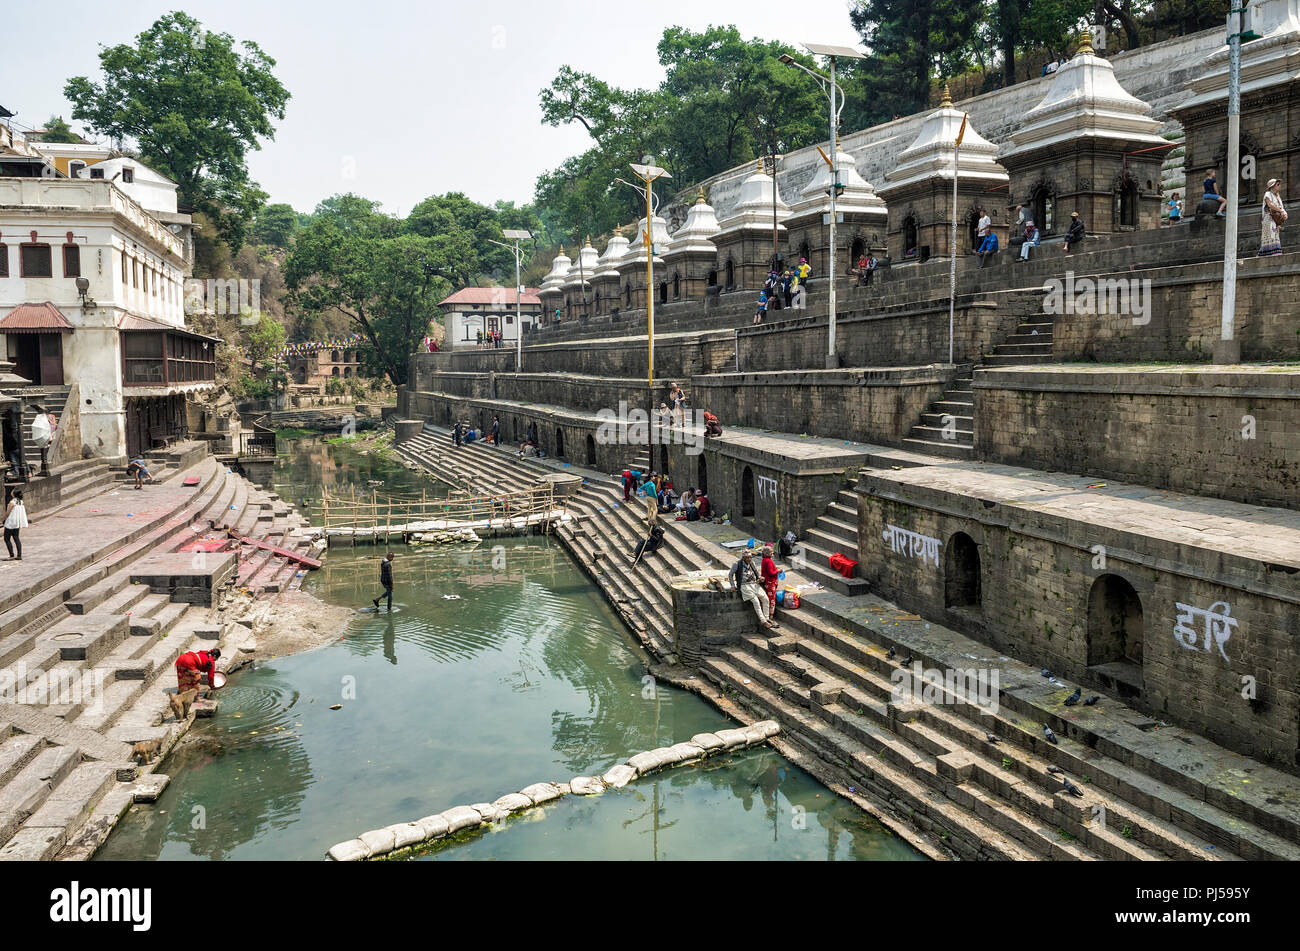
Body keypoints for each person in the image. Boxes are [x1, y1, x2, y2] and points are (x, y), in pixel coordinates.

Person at [730, 551, 776, 630]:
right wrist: (732, 585)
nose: (749, 559)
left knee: (765, 599)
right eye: (747, 558)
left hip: (754, 584)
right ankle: (763, 621)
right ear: (743, 558)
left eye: (750, 557)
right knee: (756, 602)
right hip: (744, 585)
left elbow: (757, 574)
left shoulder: (752, 563)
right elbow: (730, 574)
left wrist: (760, 578)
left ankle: (767, 618)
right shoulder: (737, 564)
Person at [1259, 178, 1287, 256]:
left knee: (1274, 234)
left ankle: (1275, 252)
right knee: (1270, 234)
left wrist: (1284, 213)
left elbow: (1281, 207)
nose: (1279, 186)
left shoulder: (1277, 196)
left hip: (1275, 219)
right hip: (1268, 218)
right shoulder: (1267, 194)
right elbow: (1270, 205)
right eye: (1277, 184)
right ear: (1273, 186)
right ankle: (1270, 252)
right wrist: (1281, 211)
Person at [4, 489, 28, 560]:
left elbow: (7, 513)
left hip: (10, 522)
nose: (11, 491)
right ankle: (19, 555)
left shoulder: (12, 502)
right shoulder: (21, 502)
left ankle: (11, 555)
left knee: (7, 538)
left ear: (14, 494)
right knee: (16, 537)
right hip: (17, 522)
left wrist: (2, 519)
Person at [760, 544, 781, 624]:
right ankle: (770, 616)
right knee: (771, 599)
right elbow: (771, 572)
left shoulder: (764, 560)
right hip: (770, 583)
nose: (772, 554)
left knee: (767, 598)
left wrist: (775, 569)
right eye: (771, 553)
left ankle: (767, 615)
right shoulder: (768, 561)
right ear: (766, 554)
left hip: (766, 582)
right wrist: (778, 571)